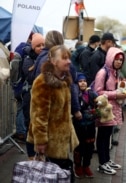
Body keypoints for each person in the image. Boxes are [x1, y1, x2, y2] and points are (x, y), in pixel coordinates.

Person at [26, 45, 79, 183]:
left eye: (69, 58)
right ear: (54, 61)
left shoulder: (64, 80)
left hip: (61, 140)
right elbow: (39, 116)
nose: (69, 62)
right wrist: (41, 141)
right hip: (50, 142)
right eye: (64, 58)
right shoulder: (43, 82)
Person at [94, 47, 126, 175]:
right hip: (104, 111)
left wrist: (125, 93)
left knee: (108, 136)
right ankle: (102, 164)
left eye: (121, 60)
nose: (119, 62)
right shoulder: (103, 73)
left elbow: (117, 90)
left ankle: (107, 160)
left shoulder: (115, 73)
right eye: (117, 59)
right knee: (103, 136)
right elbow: (98, 92)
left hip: (113, 110)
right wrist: (116, 94)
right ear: (110, 59)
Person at [73, 73, 98, 178]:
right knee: (79, 147)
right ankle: (77, 167)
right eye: (80, 81)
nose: (82, 83)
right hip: (79, 126)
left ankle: (86, 166)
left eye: (84, 81)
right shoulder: (75, 95)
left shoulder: (92, 94)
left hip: (90, 126)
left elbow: (99, 105)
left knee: (90, 147)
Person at [22, 33, 45, 136]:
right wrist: (38, 65)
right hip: (30, 94)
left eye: (43, 45)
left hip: (43, 94)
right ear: (33, 47)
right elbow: (30, 77)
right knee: (30, 123)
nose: (41, 48)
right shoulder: (28, 59)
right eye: (38, 46)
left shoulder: (46, 57)